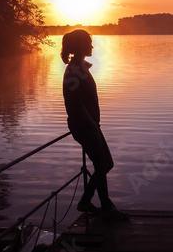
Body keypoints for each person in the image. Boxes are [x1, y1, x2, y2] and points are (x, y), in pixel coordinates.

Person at [61, 29, 128, 218]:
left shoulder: (80, 66)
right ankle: (92, 203)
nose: (92, 45)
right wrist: (92, 126)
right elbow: (76, 105)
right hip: (84, 126)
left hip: (90, 125)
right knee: (103, 164)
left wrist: (94, 125)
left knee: (105, 164)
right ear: (80, 45)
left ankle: (101, 204)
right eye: (89, 42)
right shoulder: (74, 71)